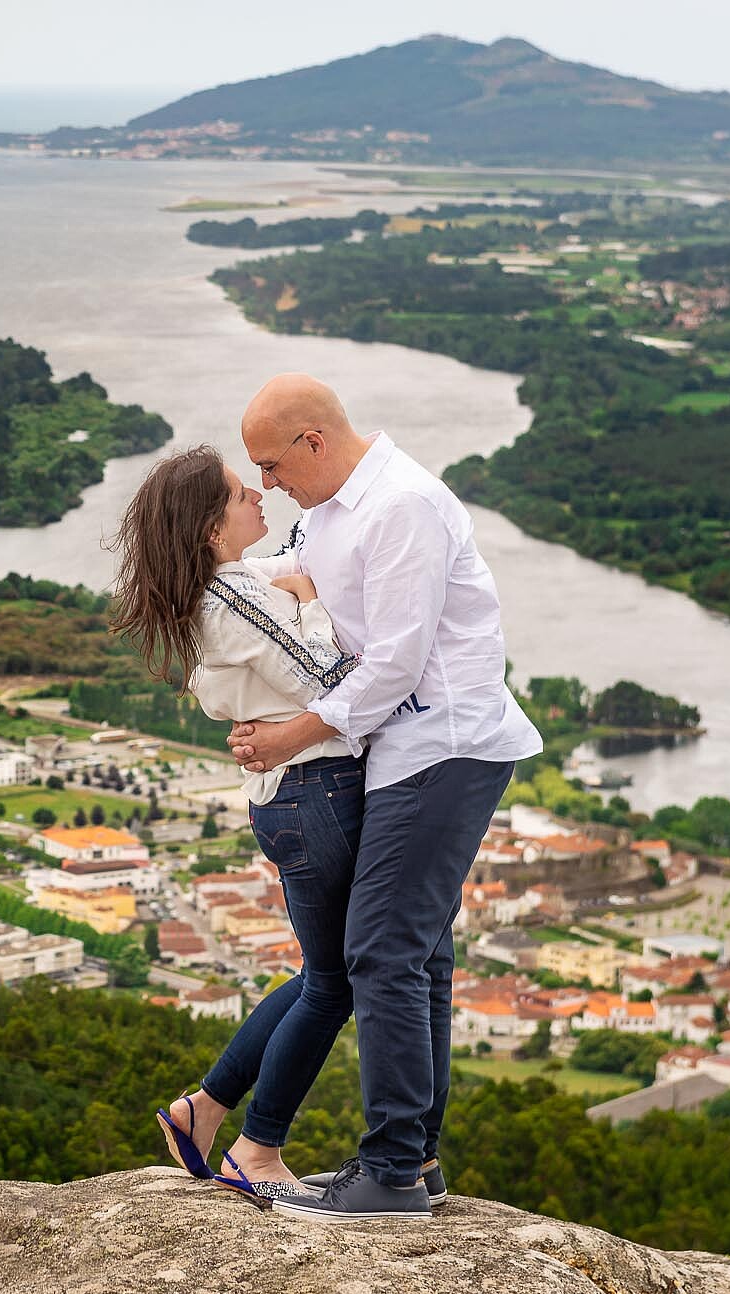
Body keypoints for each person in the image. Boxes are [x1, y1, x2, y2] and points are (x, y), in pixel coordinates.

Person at [226, 374, 543, 1222]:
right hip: (406, 748)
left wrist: (293, 735)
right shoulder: (333, 510)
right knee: (419, 953)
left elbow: (398, 660)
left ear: (314, 444)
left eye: (271, 463)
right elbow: (288, 575)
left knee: (380, 953)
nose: (266, 483)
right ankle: (417, 1160)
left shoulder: (403, 504)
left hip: (443, 742)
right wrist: (202, 573)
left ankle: (391, 1171)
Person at [108, 443, 364, 1210]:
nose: (258, 492)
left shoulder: (215, 586)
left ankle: (206, 1110)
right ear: (209, 528)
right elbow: (332, 678)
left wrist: (296, 573)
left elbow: (282, 559)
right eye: (236, 491)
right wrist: (313, 596)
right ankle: (259, 1147)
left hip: (283, 797)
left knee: (326, 977)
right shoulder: (231, 595)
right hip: (316, 791)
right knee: (337, 985)